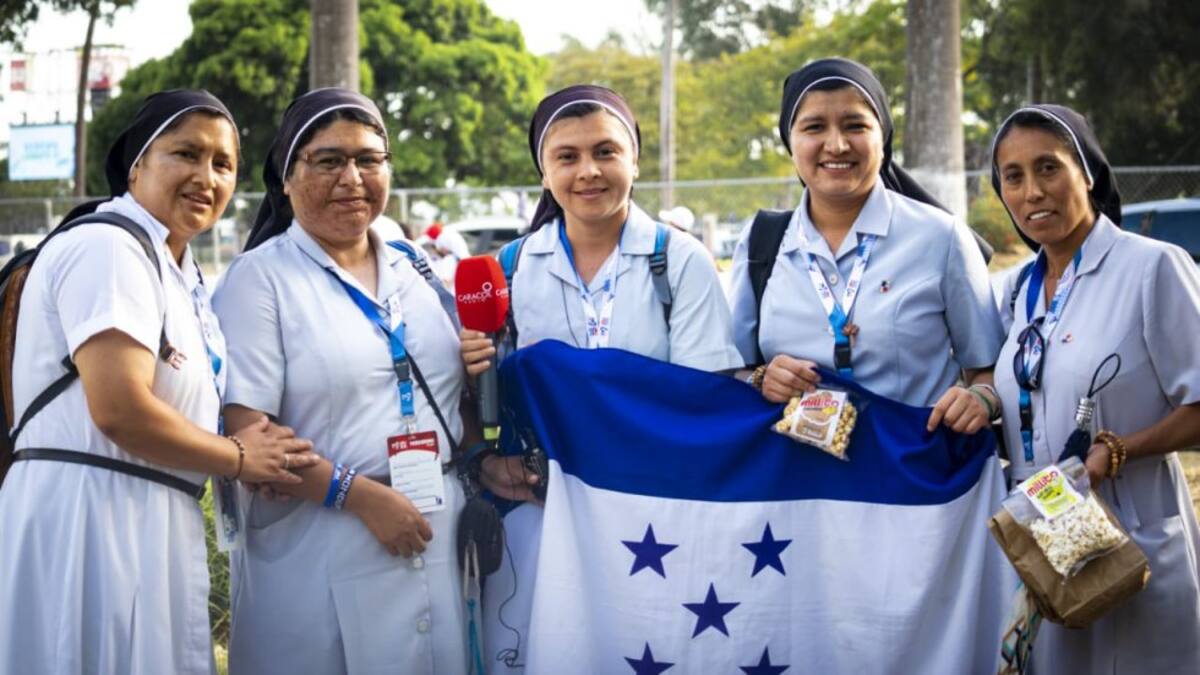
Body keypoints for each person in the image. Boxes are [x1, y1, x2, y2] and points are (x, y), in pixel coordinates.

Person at [0, 89, 317, 674]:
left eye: (223, 165)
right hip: (89, 519)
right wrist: (239, 458)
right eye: (186, 154)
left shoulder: (175, 269)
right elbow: (120, 409)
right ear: (137, 163)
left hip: (145, 514)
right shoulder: (108, 246)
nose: (206, 176)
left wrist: (249, 456)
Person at [459, 84, 743, 673]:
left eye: (606, 152)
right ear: (543, 172)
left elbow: (700, 399)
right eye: (567, 157)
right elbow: (487, 408)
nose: (588, 171)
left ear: (634, 162)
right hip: (545, 514)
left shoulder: (679, 260)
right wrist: (487, 449)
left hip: (652, 512)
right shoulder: (508, 270)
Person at [215, 88, 476, 675]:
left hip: (435, 521)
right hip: (323, 536)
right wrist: (361, 498)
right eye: (328, 161)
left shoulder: (414, 264)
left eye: (369, 160)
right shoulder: (261, 279)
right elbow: (251, 433)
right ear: (286, 178)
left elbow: (448, 390)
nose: (352, 178)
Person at [991, 104, 1200, 672]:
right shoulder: (1013, 293)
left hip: (1131, 533)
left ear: (1087, 172)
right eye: (1013, 177)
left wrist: (1118, 451)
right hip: (1045, 540)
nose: (1033, 192)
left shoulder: (1152, 269)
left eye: (1048, 168)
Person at [729, 57, 1003, 423]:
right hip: (798, 473)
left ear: (883, 137)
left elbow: (989, 370)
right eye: (814, 127)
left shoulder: (941, 237)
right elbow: (734, 372)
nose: (837, 145)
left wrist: (981, 398)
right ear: (790, 142)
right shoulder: (761, 243)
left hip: (912, 469)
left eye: (855, 125)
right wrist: (761, 379)